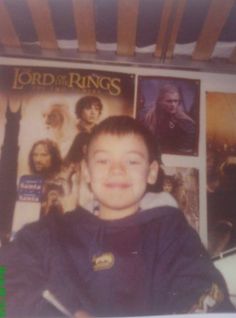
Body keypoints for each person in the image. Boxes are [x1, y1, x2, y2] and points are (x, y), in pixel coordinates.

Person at [0, 116, 234, 318]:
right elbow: (4, 283)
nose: (117, 170)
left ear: (151, 172)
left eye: (131, 161)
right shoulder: (49, 232)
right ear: (88, 172)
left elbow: (206, 296)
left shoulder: (173, 233)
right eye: (103, 160)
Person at [142, 83, 196, 154]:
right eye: (169, 101)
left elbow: (185, 152)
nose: (173, 105)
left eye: (176, 101)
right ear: (160, 102)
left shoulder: (186, 124)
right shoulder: (147, 119)